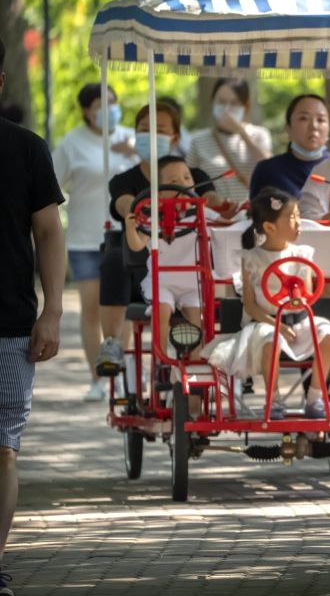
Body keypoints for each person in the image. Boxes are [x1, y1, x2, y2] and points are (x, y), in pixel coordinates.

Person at [95, 103, 237, 378]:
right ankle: (114, 343)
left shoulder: (193, 177)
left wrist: (223, 205)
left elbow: (211, 199)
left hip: (191, 271)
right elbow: (125, 203)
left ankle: (201, 360)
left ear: (174, 137)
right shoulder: (125, 180)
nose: (150, 135)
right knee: (114, 257)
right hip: (145, 269)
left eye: (159, 130)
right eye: (143, 130)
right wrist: (141, 213)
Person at [0, 37, 67, 596]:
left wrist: (53, 312)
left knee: (2, 448)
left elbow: (48, 232)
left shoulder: (26, 149)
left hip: (8, 324)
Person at [226, 188, 330, 419]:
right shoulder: (251, 259)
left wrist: (298, 300)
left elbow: (308, 296)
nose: (298, 222)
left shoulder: (303, 253)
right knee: (268, 339)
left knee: (327, 334)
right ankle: (274, 399)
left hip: (299, 319)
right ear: (270, 227)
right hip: (265, 321)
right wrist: (277, 324)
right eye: (291, 217)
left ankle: (315, 398)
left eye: (298, 215)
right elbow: (250, 306)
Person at [52, 83, 139, 401]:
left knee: (126, 307)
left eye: (113, 103)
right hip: (85, 238)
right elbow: (50, 185)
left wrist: (136, 152)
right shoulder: (71, 144)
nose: (109, 110)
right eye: (101, 105)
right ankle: (97, 378)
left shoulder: (132, 138)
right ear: (87, 110)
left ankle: (126, 374)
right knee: (92, 308)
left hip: (126, 236)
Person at [124, 156, 204, 358]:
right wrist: (130, 227)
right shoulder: (152, 218)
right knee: (161, 313)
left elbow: (226, 222)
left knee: (199, 324)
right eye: (175, 181)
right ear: (158, 189)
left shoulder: (203, 215)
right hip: (162, 282)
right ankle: (162, 360)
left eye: (187, 178)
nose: (184, 184)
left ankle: (196, 369)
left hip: (193, 283)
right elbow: (137, 244)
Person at [187, 78, 272, 201]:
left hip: (251, 213)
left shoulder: (259, 135)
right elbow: (188, 178)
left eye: (235, 103)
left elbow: (268, 166)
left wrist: (241, 132)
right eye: (221, 102)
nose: (227, 108)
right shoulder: (198, 139)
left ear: (246, 106)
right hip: (213, 215)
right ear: (212, 102)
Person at [250, 94, 330, 200]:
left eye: (320, 120)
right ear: (288, 128)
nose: (314, 126)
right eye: (303, 118)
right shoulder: (267, 170)